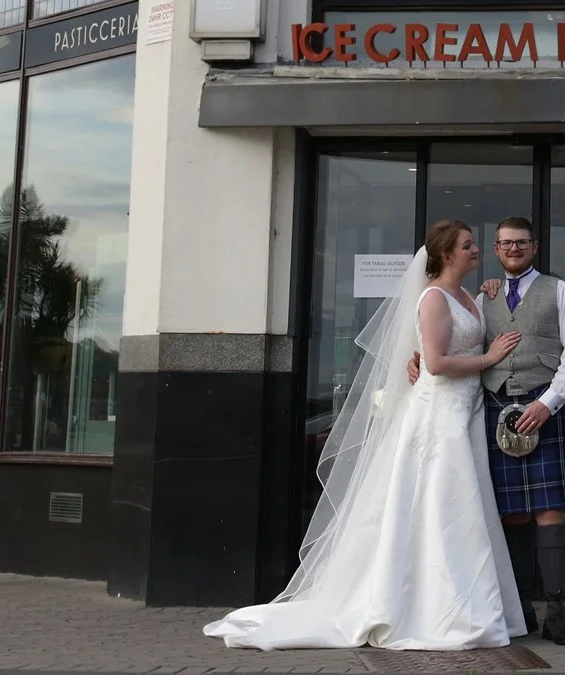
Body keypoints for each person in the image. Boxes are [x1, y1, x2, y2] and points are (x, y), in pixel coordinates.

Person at [203, 221, 526, 651]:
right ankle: (434, 607)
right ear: (447, 254)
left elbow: (453, 339)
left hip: (464, 413)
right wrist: (489, 356)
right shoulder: (432, 298)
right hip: (439, 416)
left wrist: (487, 299)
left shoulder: (468, 295)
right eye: (468, 246)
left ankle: (471, 604)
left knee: (461, 506)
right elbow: (434, 362)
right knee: (444, 505)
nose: (477, 250)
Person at [476, 216, 565, 647]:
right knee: (512, 515)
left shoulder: (559, 291)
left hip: (546, 406)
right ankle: (519, 609)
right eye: (505, 243)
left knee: (549, 512)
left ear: (535, 246)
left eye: (521, 243)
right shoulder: (483, 295)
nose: (513, 249)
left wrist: (548, 404)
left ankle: (557, 615)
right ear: (495, 248)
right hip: (496, 406)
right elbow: (465, 346)